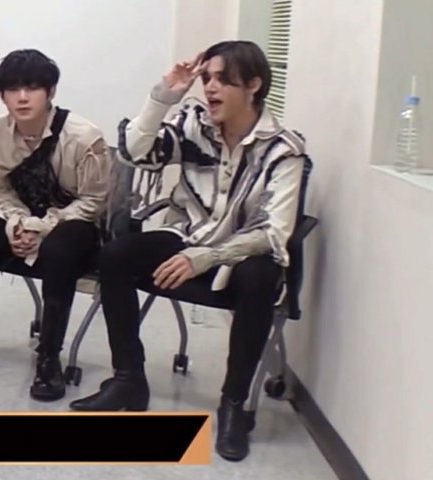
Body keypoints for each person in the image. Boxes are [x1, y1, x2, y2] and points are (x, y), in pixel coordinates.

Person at [69, 40, 310, 461]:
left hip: (241, 251)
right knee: (116, 255)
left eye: (222, 80)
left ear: (253, 85)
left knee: (260, 277)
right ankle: (128, 379)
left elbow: (274, 231)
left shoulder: (283, 149)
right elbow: (134, 152)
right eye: (207, 79)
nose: (210, 88)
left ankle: (234, 405)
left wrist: (208, 257)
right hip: (190, 234)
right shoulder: (193, 124)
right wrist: (163, 96)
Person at [0, 49, 110, 401]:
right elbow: (0, 190)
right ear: (2, 96)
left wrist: (43, 227)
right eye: (13, 89)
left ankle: (49, 357)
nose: (22, 97)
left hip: (73, 223)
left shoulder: (84, 136)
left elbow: (93, 202)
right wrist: (18, 223)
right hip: (22, 216)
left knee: (58, 251)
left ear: (50, 92)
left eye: (33, 87)